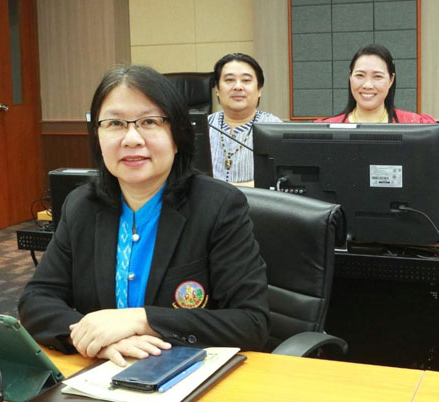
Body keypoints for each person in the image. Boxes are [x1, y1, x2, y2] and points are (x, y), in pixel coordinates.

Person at [18, 65, 270, 367]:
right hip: (101, 373)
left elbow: (250, 322)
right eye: (114, 123)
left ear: (177, 136)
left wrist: (141, 320)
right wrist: (96, 339)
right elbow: (36, 299)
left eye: (149, 122)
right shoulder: (82, 205)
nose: (131, 138)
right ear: (97, 136)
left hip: (186, 374)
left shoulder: (218, 207)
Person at [208, 53, 282, 185]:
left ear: (259, 90)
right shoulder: (203, 126)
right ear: (217, 89)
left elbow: (281, 181)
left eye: (246, 80)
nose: (238, 86)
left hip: (256, 199)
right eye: (229, 80)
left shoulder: (275, 128)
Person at [316, 44, 436, 123]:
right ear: (350, 77)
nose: (367, 85)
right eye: (360, 75)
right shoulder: (326, 129)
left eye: (378, 76)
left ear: (391, 80)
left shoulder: (416, 125)